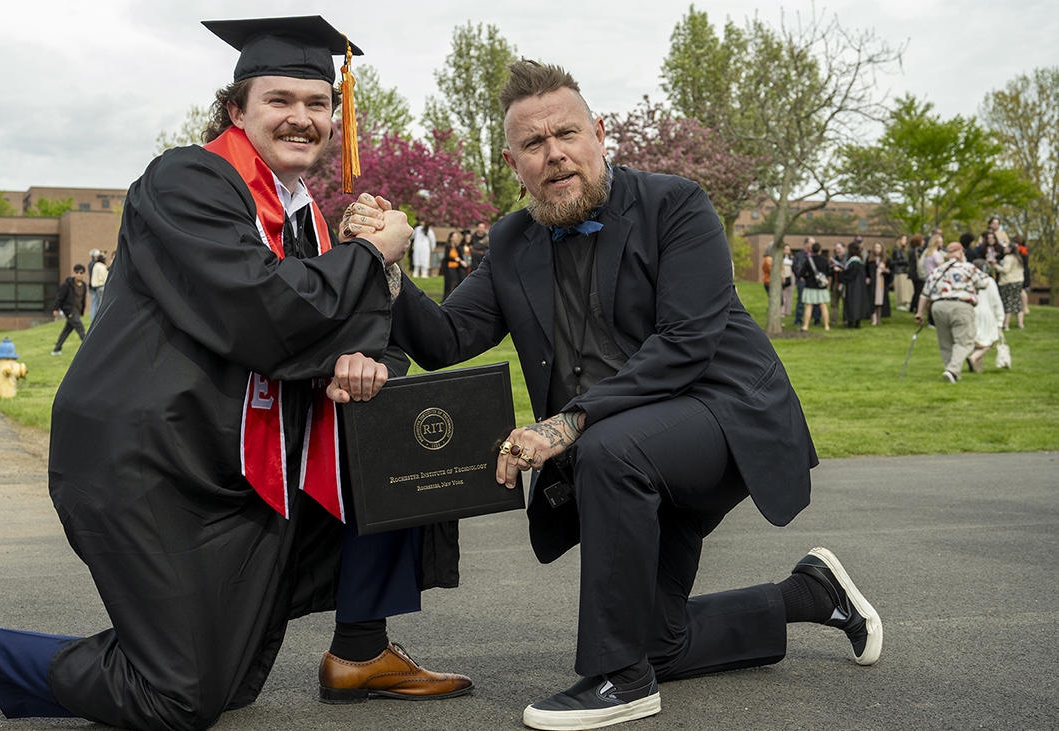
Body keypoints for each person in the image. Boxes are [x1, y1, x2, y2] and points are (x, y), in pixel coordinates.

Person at [0, 17, 470, 731]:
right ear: (236, 109)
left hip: (234, 465)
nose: (302, 116)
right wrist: (374, 253)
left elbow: (350, 331)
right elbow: (264, 315)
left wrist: (366, 359)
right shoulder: (186, 181)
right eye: (279, 100)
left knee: (226, 685)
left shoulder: (304, 219)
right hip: (148, 461)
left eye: (318, 102)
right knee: (180, 697)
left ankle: (360, 647)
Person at [361, 59, 876, 730]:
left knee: (607, 450)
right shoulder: (513, 240)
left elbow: (686, 343)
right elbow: (447, 337)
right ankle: (808, 594)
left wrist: (568, 422)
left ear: (599, 135)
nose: (554, 153)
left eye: (567, 133)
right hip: (630, 446)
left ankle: (618, 680)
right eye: (533, 143)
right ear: (513, 163)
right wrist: (384, 263)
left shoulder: (676, 204)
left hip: (724, 417)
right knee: (660, 639)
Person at [915, 240, 989, 383]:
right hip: (961, 305)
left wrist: (919, 313)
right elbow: (984, 283)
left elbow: (925, 293)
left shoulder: (938, 270)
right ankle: (952, 370)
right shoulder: (968, 267)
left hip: (938, 307)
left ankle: (952, 374)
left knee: (945, 343)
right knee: (965, 341)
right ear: (961, 253)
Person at [969, 264, 1005, 373]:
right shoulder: (989, 281)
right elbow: (996, 301)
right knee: (988, 343)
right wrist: (1000, 319)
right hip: (987, 315)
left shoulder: (969, 281)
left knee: (978, 343)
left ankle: (978, 371)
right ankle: (973, 358)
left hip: (973, 312)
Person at [50, 264, 88, 356]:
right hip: (70, 311)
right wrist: (55, 309)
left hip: (78, 311)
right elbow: (60, 297)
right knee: (81, 329)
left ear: (83, 274)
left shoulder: (84, 285)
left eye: (81, 273)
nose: (78, 274)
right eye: (77, 272)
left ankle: (56, 350)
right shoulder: (67, 285)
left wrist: (82, 310)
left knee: (66, 331)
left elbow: (83, 299)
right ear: (74, 273)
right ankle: (88, 348)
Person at [800, 242, 832, 332]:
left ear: (812, 251)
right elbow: (829, 272)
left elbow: (802, 273)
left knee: (809, 306)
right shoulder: (824, 260)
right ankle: (826, 326)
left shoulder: (809, 260)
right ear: (820, 250)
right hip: (821, 286)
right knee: (823, 306)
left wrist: (808, 277)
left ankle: (805, 326)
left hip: (810, 286)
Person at [792, 237, 821, 327]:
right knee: (801, 300)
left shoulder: (815, 256)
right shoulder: (799, 255)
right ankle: (798, 320)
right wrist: (800, 276)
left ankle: (816, 319)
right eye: (811, 243)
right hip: (803, 281)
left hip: (813, 282)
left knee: (816, 301)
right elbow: (795, 267)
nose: (813, 245)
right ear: (806, 244)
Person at [839, 242, 868, 329]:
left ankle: (850, 323)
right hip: (860, 286)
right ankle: (857, 322)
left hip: (853, 286)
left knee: (851, 303)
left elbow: (849, 275)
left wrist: (841, 273)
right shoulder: (860, 261)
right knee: (858, 304)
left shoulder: (854, 262)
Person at [998, 238, 1026, 330]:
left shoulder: (1008, 258)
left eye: (1006, 247)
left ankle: (1005, 325)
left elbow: (1005, 270)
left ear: (1010, 248)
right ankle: (1020, 324)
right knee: (1017, 302)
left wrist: (996, 266)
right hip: (1019, 282)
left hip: (1008, 282)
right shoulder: (1018, 257)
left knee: (1007, 303)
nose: (1004, 249)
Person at [866, 242, 891, 326]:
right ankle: (874, 319)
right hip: (873, 283)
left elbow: (891, 271)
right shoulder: (870, 259)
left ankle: (879, 319)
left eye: (879, 248)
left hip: (881, 283)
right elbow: (866, 270)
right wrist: (867, 278)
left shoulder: (886, 259)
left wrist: (886, 271)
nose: (877, 250)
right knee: (873, 299)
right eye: (875, 247)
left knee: (880, 301)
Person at [441, 230, 466, 300]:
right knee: (451, 283)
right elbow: (447, 257)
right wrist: (455, 259)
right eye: (454, 237)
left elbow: (461, 257)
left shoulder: (458, 247)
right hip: (449, 268)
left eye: (456, 237)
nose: (455, 238)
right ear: (450, 238)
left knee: (456, 283)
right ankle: (447, 298)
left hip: (456, 268)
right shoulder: (448, 247)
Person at [87, 249, 108, 327]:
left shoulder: (90, 264)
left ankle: (93, 320)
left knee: (94, 304)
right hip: (100, 286)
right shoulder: (98, 265)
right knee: (100, 303)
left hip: (93, 286)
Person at [906, 234, 926, 313]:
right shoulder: (918, 250)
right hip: (917, 273)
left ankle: (912, 307)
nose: (924, 242)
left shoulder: (911, 250)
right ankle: (916, 307)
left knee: (916, 291)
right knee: (919, 291)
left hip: (913, 273)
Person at [890, 235, 911, 310]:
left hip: (903, 270)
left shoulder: (901, 250)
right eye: (904, 239)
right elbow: (897, 261)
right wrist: (907, 261)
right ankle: (900, 303)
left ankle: (906, 302)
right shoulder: (897, 250)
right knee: (900, 287)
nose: (906, 241)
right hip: (899, 271)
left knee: (905, 287)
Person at [780, 244, 795, 317]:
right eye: (785, 249)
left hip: (790, 276)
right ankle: (782, 311)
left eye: (788, 249)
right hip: (783, 275)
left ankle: (788, 311)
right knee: (783, 295)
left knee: (789, 295)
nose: (787, 251)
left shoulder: (791, 258)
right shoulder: (780, 258)